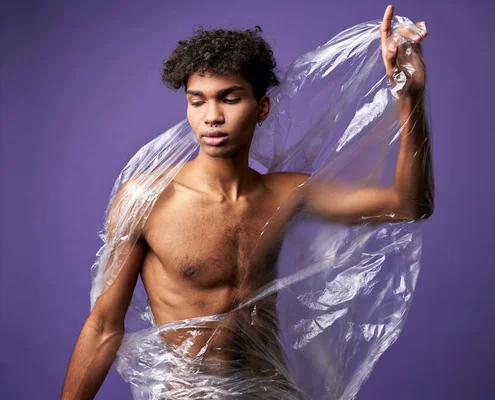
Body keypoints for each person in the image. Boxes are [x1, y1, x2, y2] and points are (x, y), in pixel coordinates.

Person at [61, 5, 433, 399]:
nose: (212, 117)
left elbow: (408, 204)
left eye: (229, 98)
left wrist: (410, 96)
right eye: (197, 101)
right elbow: (103, 326)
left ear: (262, 108)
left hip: (271, 392)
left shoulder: (285, 194)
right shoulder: (149, 199)